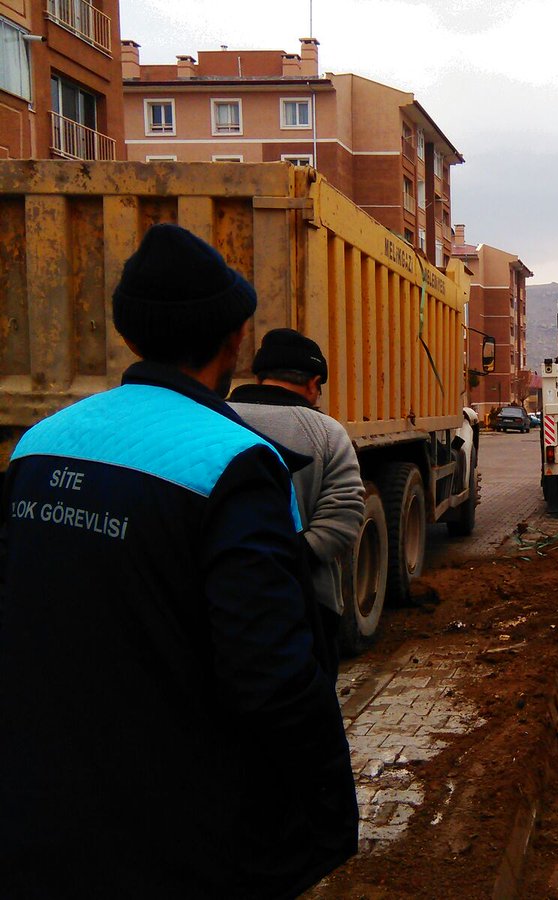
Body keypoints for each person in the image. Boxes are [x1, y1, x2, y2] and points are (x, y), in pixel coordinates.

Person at [0, 224, 358, 897]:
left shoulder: (37, 447)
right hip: (175, 833)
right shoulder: (236, 464)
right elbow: (270, 673)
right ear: (234, 339)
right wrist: (326, 814)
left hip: (41, 813)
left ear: (130, 337)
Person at [229, 328, 366, 671]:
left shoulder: (214, 419)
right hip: (306, 603)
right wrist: (291, 559)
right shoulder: (326, 432)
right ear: (312, 383)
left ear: (259, 377)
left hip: (223, 597)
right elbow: (345, 514)